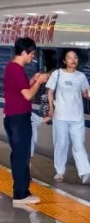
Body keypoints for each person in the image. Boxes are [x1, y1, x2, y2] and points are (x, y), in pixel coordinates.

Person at [3, 37, 50, 207]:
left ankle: (22, 190)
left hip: (13, 117)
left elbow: (21, 90)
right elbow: (28, 95)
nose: (32, 58)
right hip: (18, 119)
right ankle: (20, 194)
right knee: (22, 156)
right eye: (31, 55)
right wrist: (39, 81)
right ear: (23, 53)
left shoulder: (12, 68)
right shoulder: (16, 70)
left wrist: (32, 81)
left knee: (18, 155)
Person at [46, 49, 90, 185]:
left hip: (77, 117)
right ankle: (60, 171)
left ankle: (84, 172)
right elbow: (50, 92)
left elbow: (85, 93)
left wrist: (87, 94)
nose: (73, 60)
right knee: (61, 144)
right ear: (64, 61)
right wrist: (51, 109)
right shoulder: (57, 74)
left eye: (75, 57)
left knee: (79, 145)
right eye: (69, 58)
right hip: (60, 116)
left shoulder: (81, 76)